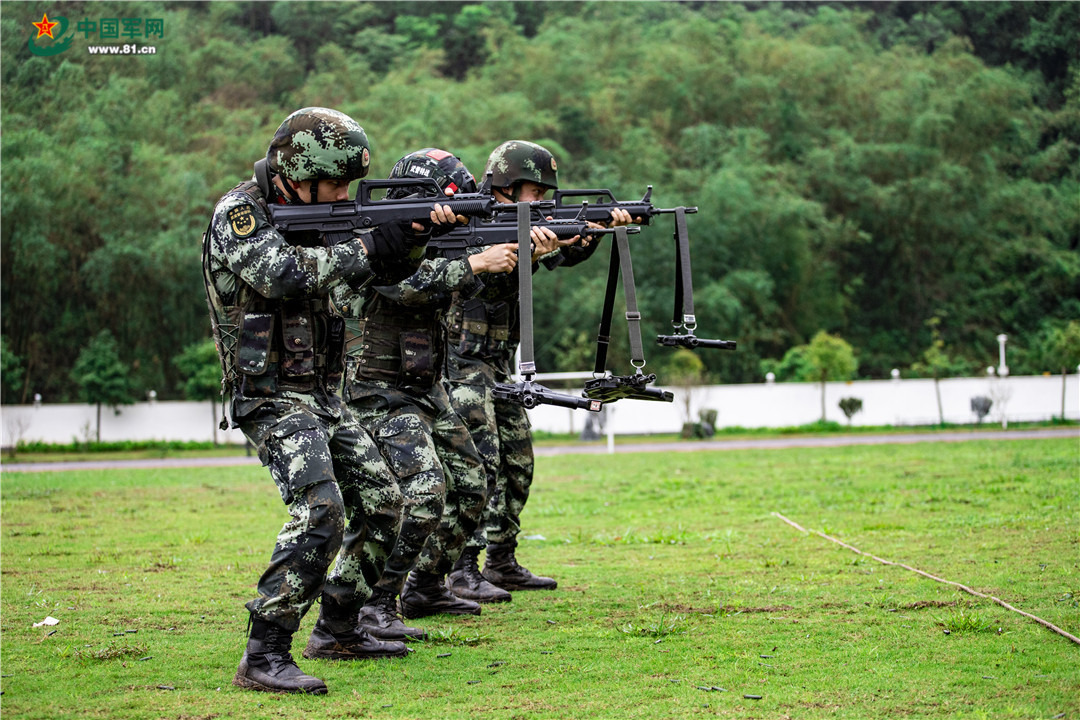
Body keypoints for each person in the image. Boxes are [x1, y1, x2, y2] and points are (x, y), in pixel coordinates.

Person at [202, 108, 460, 695]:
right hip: (270, 395)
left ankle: (340, 626)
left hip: (324, 395)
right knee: (321, 510)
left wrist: (409, 245)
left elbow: (365, 285)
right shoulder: (240, 214)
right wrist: (372, 244)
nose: (344, 197)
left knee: (384, 503)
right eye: (335, 184)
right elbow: (283, 275)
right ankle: (264, 653)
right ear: (297, 172)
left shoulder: (322, 215)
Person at [340, 149, 567, 637]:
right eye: (450, 197)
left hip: (425, 378)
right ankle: (373, 605)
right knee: (418, 492)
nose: (460, 205)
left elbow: (470, 294)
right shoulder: (379, 234)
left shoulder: (442, 235)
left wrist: (512, 261)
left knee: (471, 481)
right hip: (377, 381)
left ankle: (426, 583)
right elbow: (399, 286)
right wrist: (478, 262)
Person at [444, 140, 632, 602]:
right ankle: (460, 569)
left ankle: (501, 560)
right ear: (504, 187)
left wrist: (588, 235)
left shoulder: (532, 222)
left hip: (500, 364)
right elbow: (481, 276)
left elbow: (564, 251)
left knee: (518, 463)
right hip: (461, 362)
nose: (543, 202)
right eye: (534, 192)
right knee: (478, 465)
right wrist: (535, 254)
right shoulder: (470, 224)